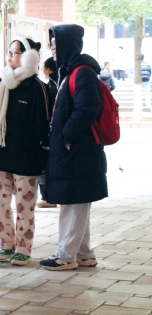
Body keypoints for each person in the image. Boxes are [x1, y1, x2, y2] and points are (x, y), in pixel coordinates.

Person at [40, 24, 108, 271]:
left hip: (78, 151)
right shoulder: (71, 71)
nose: (52, 49)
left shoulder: (82, 73)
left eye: (55, 43)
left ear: (68, 44)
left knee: (72, 201)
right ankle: (84, 253)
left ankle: (65, 256)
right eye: (51, 44)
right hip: (74, 151)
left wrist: (66, 136)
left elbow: (87, 108)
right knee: (77, 200)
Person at [0, 37, 50, 267]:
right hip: (0, 155)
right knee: (0, 204)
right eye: (8, 52)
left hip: (26, 158)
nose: (9, 56)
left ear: (29, 56)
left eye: (15, 52)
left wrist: (41, 156)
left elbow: (43, 125)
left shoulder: (37, 88)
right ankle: (6, 244)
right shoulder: (4, 82)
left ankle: (23, 247)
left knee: (24, 206)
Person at [37, 56, 58, 208]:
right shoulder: (59, 82)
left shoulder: (50, 86)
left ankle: (48, 197)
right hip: (56, 131)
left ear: (49, 70)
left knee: (44, 166)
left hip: (50, 131)